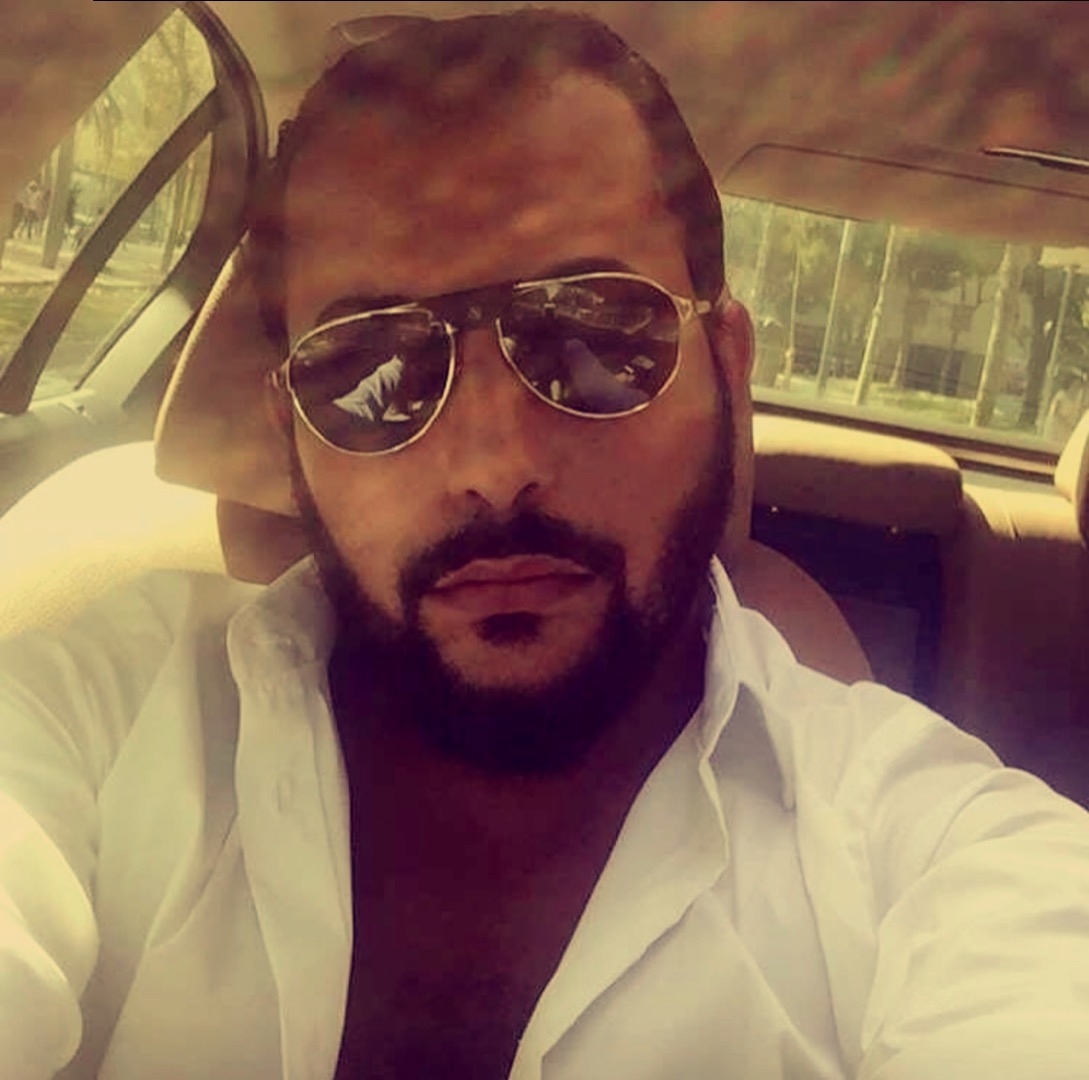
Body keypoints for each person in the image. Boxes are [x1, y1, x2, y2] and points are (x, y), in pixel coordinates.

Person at [3, 10, 1089, 1080]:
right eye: (370, 371)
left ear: (727, 367)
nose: (494, 464)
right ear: (289, 428)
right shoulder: (92, 718)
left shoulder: (945, 860)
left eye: (594, 337)